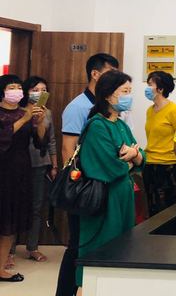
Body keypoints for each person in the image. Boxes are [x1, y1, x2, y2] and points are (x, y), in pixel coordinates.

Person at [56, 52, 120, 296]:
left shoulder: (108, 107)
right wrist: (77, 190)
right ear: (95, 74)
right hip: (84, 187)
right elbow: (68, 151)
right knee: (77, 245)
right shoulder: (78, 107)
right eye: (111, 73)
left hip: (105, 184)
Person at [75, 70, 144, 290]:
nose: (128, 97)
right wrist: (131, 160)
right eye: (124, 91)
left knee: (122, 249)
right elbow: (110, 166)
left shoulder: (120, 124)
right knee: (101, 250)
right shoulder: (97, 125)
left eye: (130, 91)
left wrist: (135, 155)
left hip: (123, 195)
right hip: (104, 197)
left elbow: (141, 156)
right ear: (107, 95)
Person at [0, 74, 47, 283]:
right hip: (2, 170)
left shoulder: (24, 112)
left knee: (10, 222)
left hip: (20, 172)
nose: (17, 90)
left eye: (19, 87)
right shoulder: (12, 115)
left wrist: (39, 122)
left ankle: (1, 268)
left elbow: (39, 142)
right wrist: (25, 119)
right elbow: (3, 137)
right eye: (12, 87)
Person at [7, 77, 57, 266]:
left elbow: (50, 140)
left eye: (43, 90)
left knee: (37, 207)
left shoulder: (47, 113)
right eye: (35, 89)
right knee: (13, 207)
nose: (39, 93)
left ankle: (32, 247)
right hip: (16, 165)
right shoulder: (17, 111)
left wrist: (54, 165)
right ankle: (9, 251)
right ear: (26, 92)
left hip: (39, 164)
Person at [143, 71, 176, 217]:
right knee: (152, 208)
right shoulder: (150, 110)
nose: (147, 88)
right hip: (149, 165)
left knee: (167, 210)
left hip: (169, 167)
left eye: (150, 85)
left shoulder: (174, 111)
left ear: (160, 89)